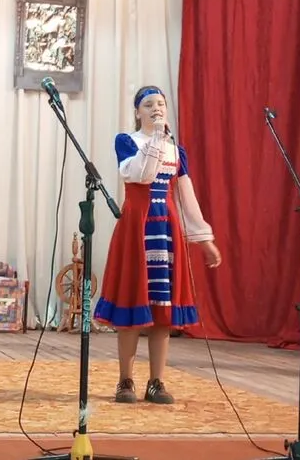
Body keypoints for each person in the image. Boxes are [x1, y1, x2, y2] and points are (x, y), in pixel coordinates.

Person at [93, 85, 222, 404]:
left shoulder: (177, 151)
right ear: (138, 112)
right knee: (131, 304)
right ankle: (125, 380)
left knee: (163, 309)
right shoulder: (127, 142)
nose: (156, 109)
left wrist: (205, 240)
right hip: (136, 226)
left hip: (166, 230)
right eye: (148, 104)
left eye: (161, 104)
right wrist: (155, 141)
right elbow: (142, 175)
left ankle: (156, 381)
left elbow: (187, 198)